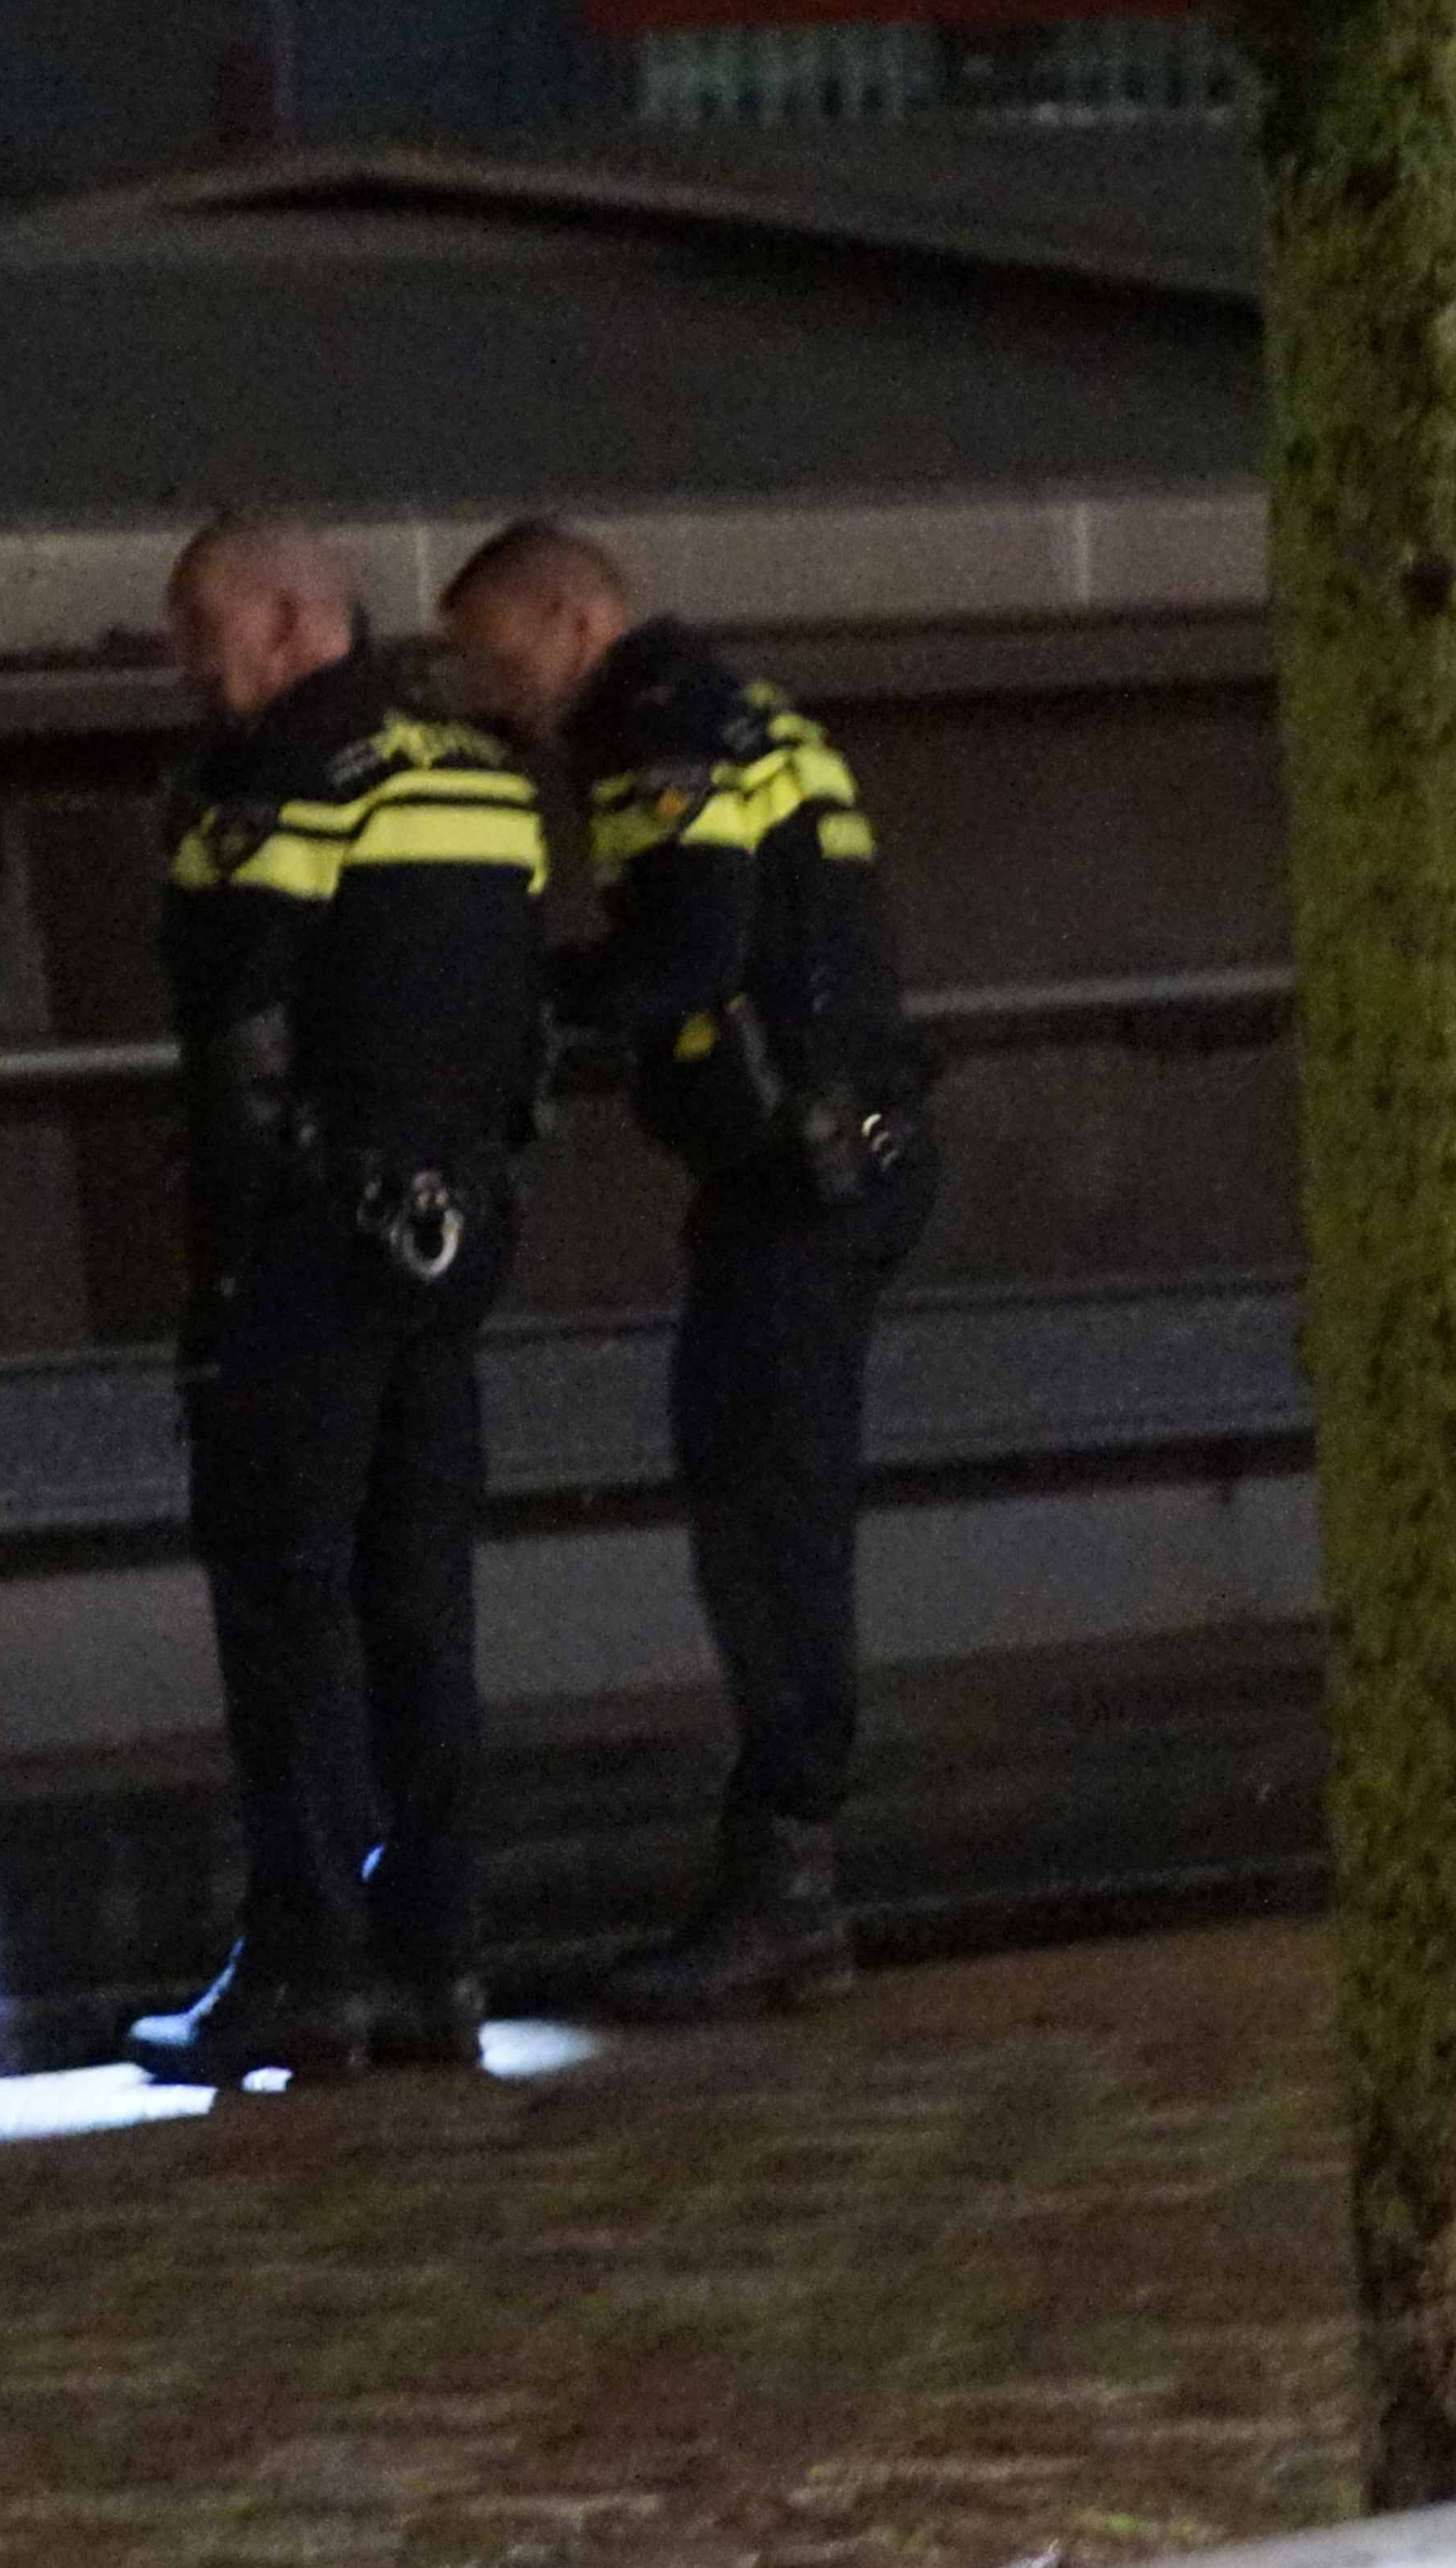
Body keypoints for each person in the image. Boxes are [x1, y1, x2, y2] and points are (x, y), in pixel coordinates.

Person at [442, 518, 937, 2022]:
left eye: (494, 650)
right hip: (829, 1160)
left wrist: (485, 996)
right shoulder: (741, 710)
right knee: (767, 1505)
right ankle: (783, 1874)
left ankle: (787, 1886)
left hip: (799, 1179)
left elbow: (683, 957)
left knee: (765, 1521)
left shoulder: (656, 731)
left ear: (573, 615)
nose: (486, 690)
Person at [126, 518, 550, 2087]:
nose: (188, 667)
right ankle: (438, 1956)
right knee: (423, 1603)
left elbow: (235, 1041)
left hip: (306, 1258)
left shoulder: (269, 787)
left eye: (201, 630)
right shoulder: (487, 784)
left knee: (290, 1607)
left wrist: (228, 1272)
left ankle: (308, 1964)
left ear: (297, 621)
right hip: (452, 1242)